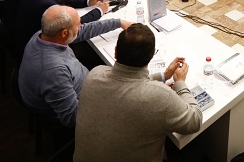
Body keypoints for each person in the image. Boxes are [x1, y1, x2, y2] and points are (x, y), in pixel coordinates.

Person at [73, 23, 202, 161]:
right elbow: (195, 121)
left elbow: (128, 82)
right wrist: (180, 82)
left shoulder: (95, 73)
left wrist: (164, 76)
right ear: (152, 54)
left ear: (116, 51)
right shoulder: (160, 96)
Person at [19, 5, 132, 130]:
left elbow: (83, 31)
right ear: (64, 33)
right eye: (78, 25)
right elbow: (72, 118)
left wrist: (119, 23)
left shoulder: (43, 35)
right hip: (82, 105)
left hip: (83, 84)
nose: (80, 27)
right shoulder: (53, 71)